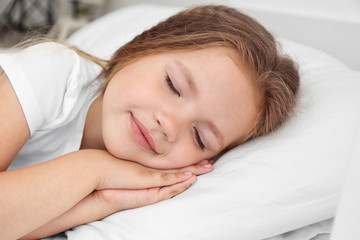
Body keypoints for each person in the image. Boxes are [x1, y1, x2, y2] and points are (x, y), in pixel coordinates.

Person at [0, 5, 299, 239]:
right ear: (141, 48)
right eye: (173, 85)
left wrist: (104, 201)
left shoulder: (133, 184)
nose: (167, 124)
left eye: (199, 138)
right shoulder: (52, 71)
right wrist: (92, 169)